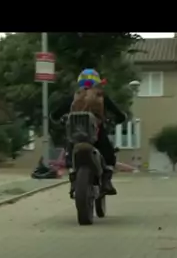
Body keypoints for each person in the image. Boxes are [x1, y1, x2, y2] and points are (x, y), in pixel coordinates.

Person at [50, 68, 126, 196]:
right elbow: (119, 114)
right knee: (108, 152)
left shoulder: (74, 96)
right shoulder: (100, 95)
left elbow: (55, 115)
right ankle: (106, 181)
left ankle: (73, 177)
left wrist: (60, 120)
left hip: (75, 135)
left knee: (69, 152)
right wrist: (117, 119)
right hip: (96, 133)